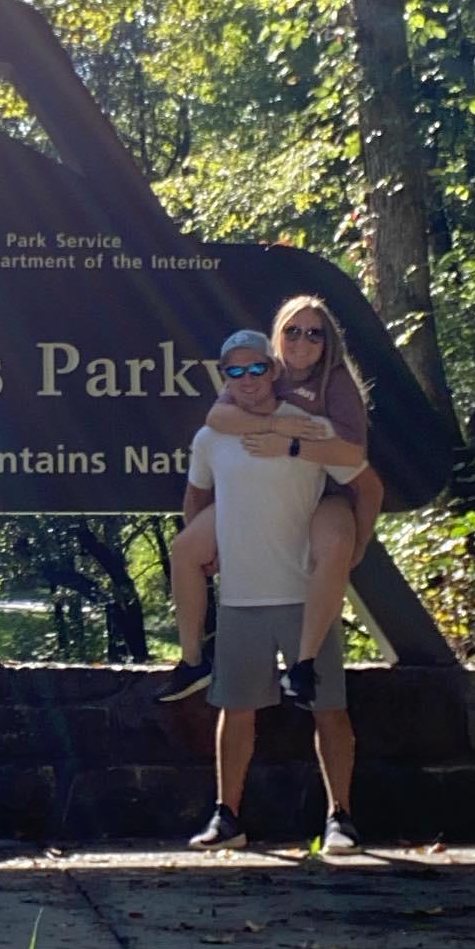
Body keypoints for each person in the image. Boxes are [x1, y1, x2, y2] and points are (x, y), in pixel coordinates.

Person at [181, 328, 364, 853]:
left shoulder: (309, 427)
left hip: (306, 596)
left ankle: (340, 818)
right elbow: (195, 499)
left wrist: (354, 544)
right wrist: (208, 550)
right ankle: (227, 818)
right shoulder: (210, 438)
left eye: (257, 368)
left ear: (274, 370)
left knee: (328, 708)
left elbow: (358, 473)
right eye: (234, 371)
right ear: (223, 377)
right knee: (235, 710)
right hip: (240, 596)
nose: (247, 379)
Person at [159, 295, 384, 706]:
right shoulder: (262, 372)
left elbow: (353, 458)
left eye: (314, 333)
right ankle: (192, 661)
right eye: (292, 331)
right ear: (278, 337)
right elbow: (216, 419)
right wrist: (274, 425)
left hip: (330, 492)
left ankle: (305, 664)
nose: (302, 341)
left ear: (328, 342)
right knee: (185, 548)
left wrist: (291, 445)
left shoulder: (335, 382)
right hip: (262, 497)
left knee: (336, 544)